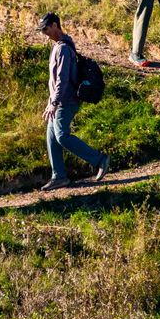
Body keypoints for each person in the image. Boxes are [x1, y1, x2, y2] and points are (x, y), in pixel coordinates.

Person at [38, 12, 109, 190]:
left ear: (55, 25)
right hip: (57, 99)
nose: (44, 33)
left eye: (46, 29)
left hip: (66, 100)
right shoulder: (59, 46)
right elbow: (54, 80)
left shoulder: (62, 48)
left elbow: (62, 79)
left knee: (62, 136)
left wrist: (54, 103)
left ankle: (100, 159)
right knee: (51, 137)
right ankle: (59, 176)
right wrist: (50, 101)